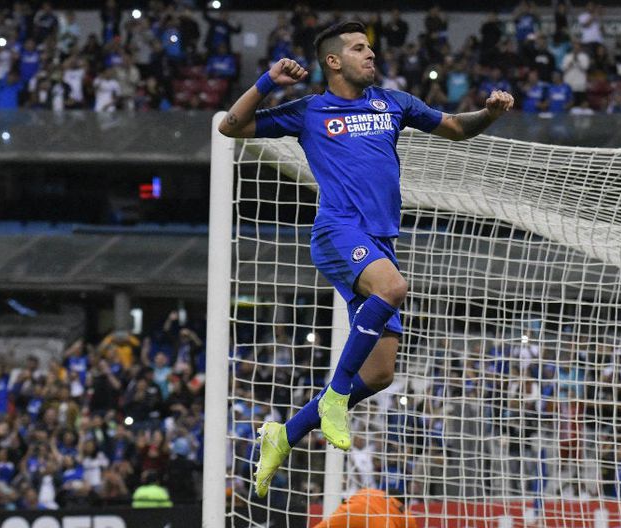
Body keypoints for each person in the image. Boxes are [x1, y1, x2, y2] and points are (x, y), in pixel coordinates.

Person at [218, 20, 513, 498]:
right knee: (393, 288)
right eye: (359, 49)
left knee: (378, 374)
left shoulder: (393, 103)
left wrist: (490, 113)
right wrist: (269, 81)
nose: (370, 54)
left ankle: (284, 435)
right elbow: (230, 126)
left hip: (379, 242)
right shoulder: (309, 110)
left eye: (370, 48)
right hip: (338, 231)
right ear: (334, 61)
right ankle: (334, 396)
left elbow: (457, 129)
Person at [312, 488, 415, 528]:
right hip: (381, 523)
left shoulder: (372, 491)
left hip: (355, 509)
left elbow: (353, 497)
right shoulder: (406, 514)